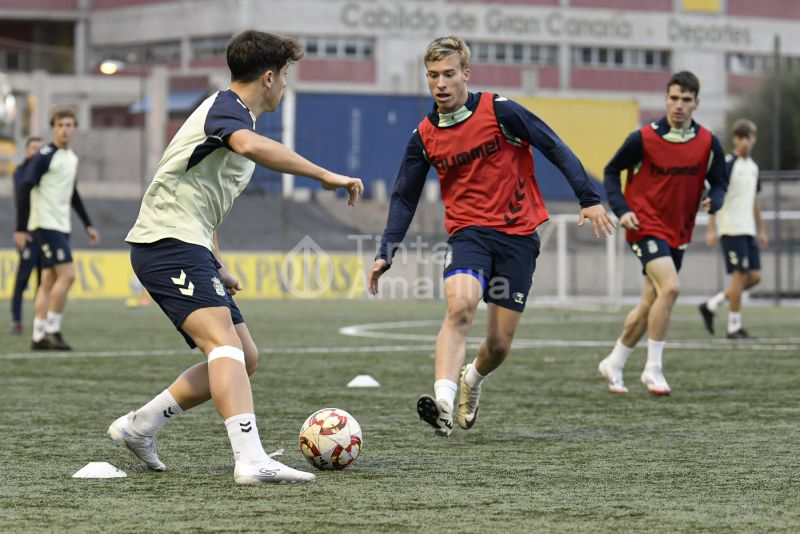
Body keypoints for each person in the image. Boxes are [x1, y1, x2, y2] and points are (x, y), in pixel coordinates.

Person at [108, 30, 364, 484]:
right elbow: (249, 147)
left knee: (243, 356)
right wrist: (323, 174)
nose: (286, 86)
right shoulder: (228, 110)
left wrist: (217, 262)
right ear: (269, 77)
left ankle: (140, 425)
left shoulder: (232, 118)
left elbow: (201, 198)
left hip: (189, 244)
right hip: (165, 244)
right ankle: (250, 459)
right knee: (223, 345)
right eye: (285, 76)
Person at [368, 35, 614, 437]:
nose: (441, 83)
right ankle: (444, 402)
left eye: (449, 74)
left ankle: (471, 381)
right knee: (460, 307)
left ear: (466, 73)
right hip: (470, 236)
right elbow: (404, 196)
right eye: (433, 76)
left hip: (519, 237)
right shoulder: (424, 136)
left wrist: (588, 197)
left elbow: (553, 145)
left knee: (498, 345)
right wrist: (386, 251)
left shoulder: (500, 111)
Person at [598, 71, 727, 396]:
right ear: (666, 99)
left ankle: (613, 362)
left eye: (686, 99)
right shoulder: (642, 138)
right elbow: (611, 171)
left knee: (649, 303)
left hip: (678, 232)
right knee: (670, 288)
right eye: (673, 98)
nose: (679, 105)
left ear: (696, 102)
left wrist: (717, 199)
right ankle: (653, 369)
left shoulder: (708, 142)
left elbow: (721, 180)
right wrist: (622, 208)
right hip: (644, 227)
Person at [14, 109, 101, 350]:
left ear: (74, 128)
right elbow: (24, 186)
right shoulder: (43, 156)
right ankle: (53, 330)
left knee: (48, 281)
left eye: (70, 125)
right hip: (44, 225)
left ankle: (38, 335)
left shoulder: (71, 157)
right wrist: (21, 227)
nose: (65, 129)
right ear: (53, 128)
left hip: (61, 226)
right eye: (61, 125)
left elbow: (72, 193)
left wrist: (88, 224)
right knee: (68, 274)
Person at [699, 119, 767, 339]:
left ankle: (712, 304)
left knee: (754, 277)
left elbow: (755, 201)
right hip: (731, 227)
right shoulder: (728, 163)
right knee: (739, 276)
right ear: (736, 139)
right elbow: (714, 195)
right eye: (742, 137)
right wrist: (711, 226)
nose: (746, 141)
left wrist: (762, 229)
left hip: (748, 229)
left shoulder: (753, 167)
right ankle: (734, 327)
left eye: (750, 137)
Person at [10, 136, 43, 334]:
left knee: (44, 281)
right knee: (22, 280)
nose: (37, 152)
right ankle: (16, 320)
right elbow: (21, 202)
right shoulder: (21, 173)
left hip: (44, 234)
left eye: (40, 148)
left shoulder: (44, 173)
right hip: (28, 234)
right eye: (33, 148)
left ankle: (40, 321)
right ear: (27, 150)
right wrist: (22, 229)